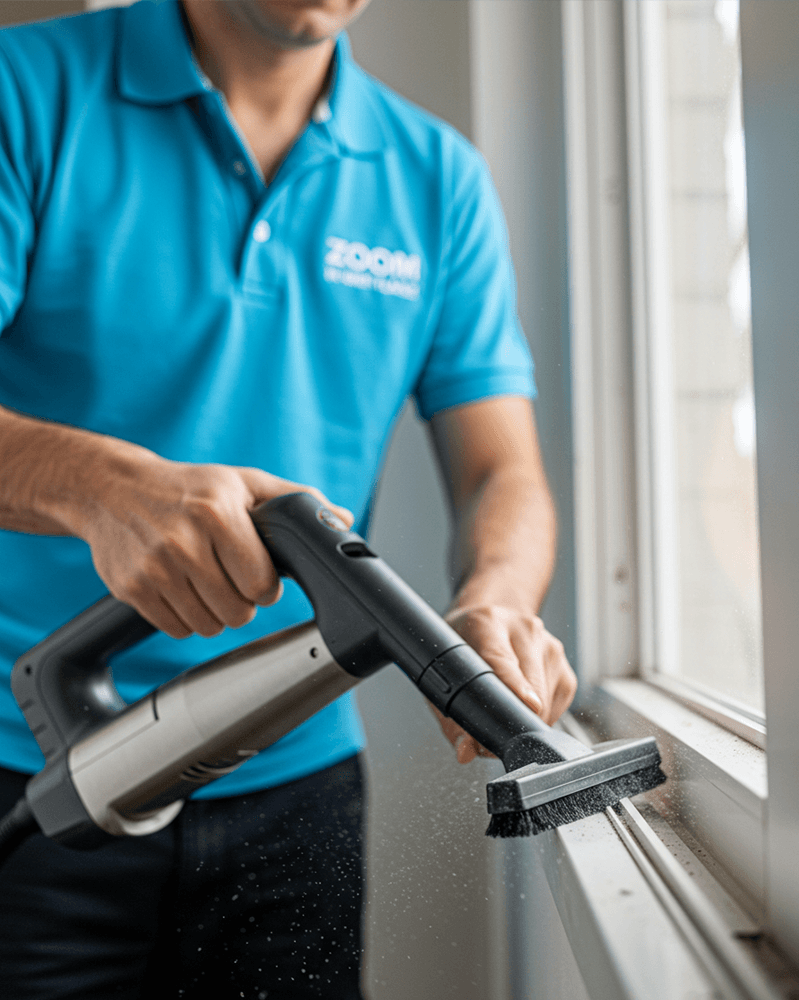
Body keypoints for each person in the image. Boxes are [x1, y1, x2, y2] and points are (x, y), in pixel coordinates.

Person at [0, 0, 577, 997]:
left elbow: (502, 474)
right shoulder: (25, 93)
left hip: (296, 785)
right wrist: (100, 487)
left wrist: (497, 598)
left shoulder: (435, 181)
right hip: (31, 777)